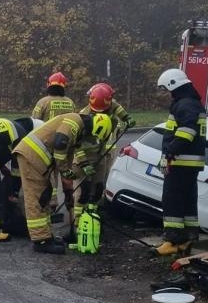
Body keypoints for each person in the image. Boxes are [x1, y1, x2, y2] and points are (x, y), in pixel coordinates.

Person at [13, 110, 113, 253]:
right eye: (92, 136)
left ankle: (46, 236)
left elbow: (67, 156)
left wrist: (68, 191)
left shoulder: (77, 133)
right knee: (36, 198)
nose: (90, 140)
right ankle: (40, 241)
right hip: (32, 156)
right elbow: (60, 144)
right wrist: (65, 171)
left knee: (45, 196)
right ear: (95, 127)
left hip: (40, 160)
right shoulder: (74, 121)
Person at [154, 68, 206, 257]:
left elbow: (187, 132)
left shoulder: (184, 105)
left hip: (180, 162)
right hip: (189, 164)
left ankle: (173, 241)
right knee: (187, 202)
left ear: (173, 85)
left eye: (165, 90)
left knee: (172, 201)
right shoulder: (192, 103)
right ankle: (187, 239)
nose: (165, 94)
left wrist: (169, 152)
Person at [72, 82, 136, 220]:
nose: (99, 114)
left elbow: (117, 108)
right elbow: (76, 144)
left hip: (100, 155)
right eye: (96, 111)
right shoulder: (83, 116)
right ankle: (77, 223)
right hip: (84, 158)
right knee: (83, 191)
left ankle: (93, 219)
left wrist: (127, 118)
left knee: (98, 189)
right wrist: (84, 163)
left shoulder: (110, 104)